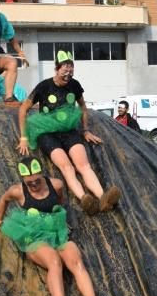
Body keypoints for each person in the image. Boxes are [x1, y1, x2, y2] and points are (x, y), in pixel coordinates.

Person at [0, 158, 112, 296]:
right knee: (54, 261)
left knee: (75, 259)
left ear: (42, 174)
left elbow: (59, 201)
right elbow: (4, 200)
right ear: (23, 179)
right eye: (29, 182)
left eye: (37, 180)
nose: (34, 184)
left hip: (56, 233)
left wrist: (59, 219)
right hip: (34, 236)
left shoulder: (56, 184)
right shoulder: (17, 191)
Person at [17, 50, 121, 216]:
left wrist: (86, 130)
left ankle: (103, 198)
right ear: (57, 69)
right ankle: (85, 199)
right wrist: (23, 137)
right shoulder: (44, 86)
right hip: (47, 133)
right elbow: (23, 109)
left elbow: (83, 108)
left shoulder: (74, 85)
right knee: (66, 167)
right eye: (65, 70)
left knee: (84, 165)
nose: (68, 74)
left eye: (71, 70)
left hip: (68, 131)